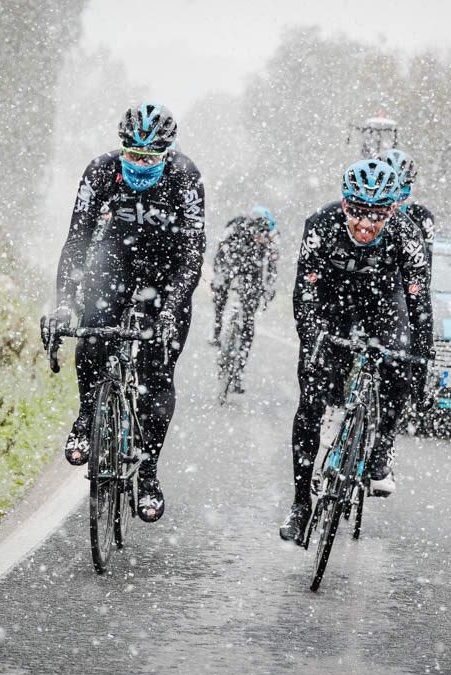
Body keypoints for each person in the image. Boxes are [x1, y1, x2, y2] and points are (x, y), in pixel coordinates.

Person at [42, 102, 205, 523]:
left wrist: (171, 307)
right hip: (114, 260)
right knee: (93, 330)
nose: (140, 164)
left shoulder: (185, 178)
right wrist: (64, 302)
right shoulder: (100, 170)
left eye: (150, 158)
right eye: (133, 154)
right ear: (122, 148)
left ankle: (148, 471)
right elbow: (77, 240)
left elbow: (192, 253)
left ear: (166, 154)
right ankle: (85, 416)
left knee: (156, 375)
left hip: (167, 272)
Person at [279, 158, 434, 544]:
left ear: (392, 210)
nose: (365, 225)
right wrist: (312, 336)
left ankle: (380, 448)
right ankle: (301, 504)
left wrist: (422, 364)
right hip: (332, 305)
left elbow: (419, 307)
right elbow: (304, 293)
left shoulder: (406, 235)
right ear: (344, 205)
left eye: (376, 216)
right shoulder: (321, 225)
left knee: (400, 364)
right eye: (357, 213)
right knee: (312, 401)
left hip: (383, 306)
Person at [377, 148, 437, 422]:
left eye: (403, 189)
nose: (397, 198)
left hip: (402, 286)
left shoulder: (421, 217)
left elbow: (425, 269)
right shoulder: (368, 208)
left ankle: (387, 433)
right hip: (369, 285)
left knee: (408, 345)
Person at [209, 206, 280, 389]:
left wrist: (268, 289)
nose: (261, 238)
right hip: (232, 264)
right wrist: (218, 277)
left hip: (253, 271)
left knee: (248, 318)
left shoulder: (271, 238)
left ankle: (239, 371)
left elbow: (272, 266)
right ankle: (217, 331)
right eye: (259, 234)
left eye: (265, 236)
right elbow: (220, 253)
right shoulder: (236, 227)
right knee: (220, 295)